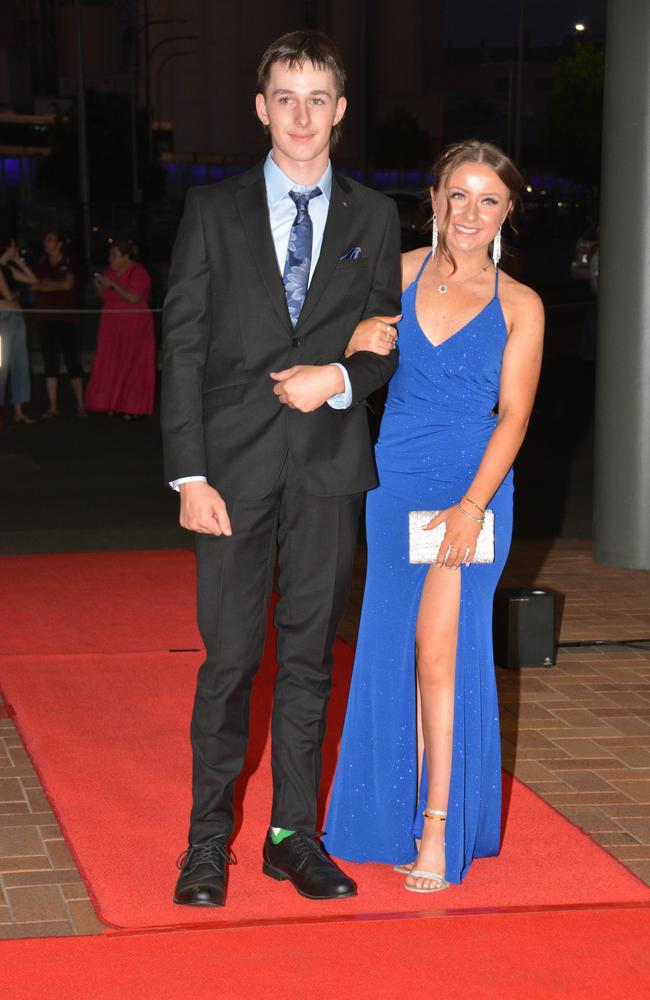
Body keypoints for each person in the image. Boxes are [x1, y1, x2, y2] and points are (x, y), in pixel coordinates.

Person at [161, 30, 401, 908]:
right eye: (285, 98)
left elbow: (381, 346)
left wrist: (335, 376)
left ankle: (293, 837)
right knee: (229, 663)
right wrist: (189, 475)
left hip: (330, 473)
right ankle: (205, 843)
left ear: (339, 111)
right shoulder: (211, 213)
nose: (302, 116)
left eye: (318, 99)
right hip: (229, 476)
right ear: (263, 108)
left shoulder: (374, 218)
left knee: (308, 663)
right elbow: (181, 347)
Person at [324, 140, 544, 893]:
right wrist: (351, 340)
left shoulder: (521, 305)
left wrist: (472, 505)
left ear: (509, 210)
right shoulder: (399, 272)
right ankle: (393, 814)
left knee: (441, 655)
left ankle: (438, 827)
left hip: (472, 487)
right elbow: (344, 341)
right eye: (458, 195)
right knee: (392, 648)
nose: (470, 213)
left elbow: (514, 417)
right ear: (434, 198)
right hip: (394, 483)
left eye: (488, 199)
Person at [16, 230, 85, 418]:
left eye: (50, 239)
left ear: (59, 244)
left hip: (67, 318)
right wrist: (53, 284)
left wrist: (45, 283)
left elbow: (68, 285)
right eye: (45, 238)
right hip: (45, 318)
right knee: (49, 362)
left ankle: (81, 405)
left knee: (73, 361)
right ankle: (52, 407)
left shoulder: (68, 262)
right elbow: (33, 285)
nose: (46, 242)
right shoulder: (40, 263)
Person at [86, 241, 155, 418]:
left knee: (133, 363)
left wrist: (114, 285)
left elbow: (134, 298)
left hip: (133, 324)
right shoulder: (110, 272)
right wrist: (99, 286)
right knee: (111, 361)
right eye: (110, 255)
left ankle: (133, 407)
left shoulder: (138, 272)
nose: (110, 259)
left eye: (115, 255)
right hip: (111, 323)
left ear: (126, 257)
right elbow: (104, 297)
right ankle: (111, 403)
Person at [0, 239, 34, 425]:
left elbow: (32, 280)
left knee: (20, 364)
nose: (16, 249)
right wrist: (15, 297)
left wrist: (20, 263)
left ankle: (18, 411)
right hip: (3, 320)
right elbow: (8, 296)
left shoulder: (9, 269)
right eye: (13, 246)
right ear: (6, 247)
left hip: (16, 318)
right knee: (0, 366)